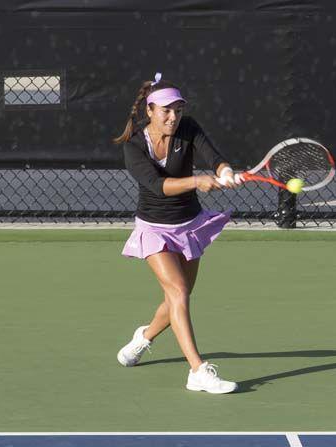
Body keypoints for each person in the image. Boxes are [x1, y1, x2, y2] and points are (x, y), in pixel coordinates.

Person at [112, 73, 238, 394]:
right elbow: (158, 186)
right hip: (154, 228)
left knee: (176, 299)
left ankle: (143, 338)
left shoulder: (188, 128)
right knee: (179, 292)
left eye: (178, 110)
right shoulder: (134, 146)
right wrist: (198, 181)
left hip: (190, 224)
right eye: (166, 110)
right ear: (150, 110)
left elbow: (213, 155)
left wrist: (224, 170)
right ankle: (197, 370)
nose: (173, 116)